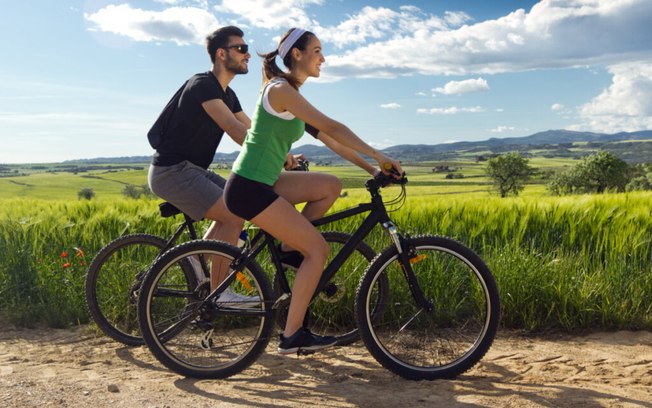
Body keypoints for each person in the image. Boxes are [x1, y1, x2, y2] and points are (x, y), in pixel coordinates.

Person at [223, 28, 403, 355]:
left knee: (329, 185)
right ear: (297, 54)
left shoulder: (292, 94)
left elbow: (330, 139)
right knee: (319, 251)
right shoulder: (281, 91)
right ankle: (292, 335)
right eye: (317, 51)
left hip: (265, 181)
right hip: (249, 187)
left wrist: (372, 170)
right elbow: (334, 126)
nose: (323, 58)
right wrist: (379, 154)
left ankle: (291, 250)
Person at [147, 26, 258, 307]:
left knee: (241, 203)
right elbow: (234, 129)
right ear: (222, 54)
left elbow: (253, 129)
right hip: (172, 172)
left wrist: (286, 153)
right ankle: (220, 293)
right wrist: (276, 157)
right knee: (233, 215)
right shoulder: (203, 85)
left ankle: (197, 262)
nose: (247, 55)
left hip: (192, 170)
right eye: (241, 49)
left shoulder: (227, 94)